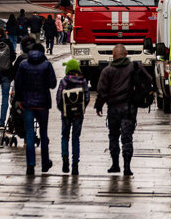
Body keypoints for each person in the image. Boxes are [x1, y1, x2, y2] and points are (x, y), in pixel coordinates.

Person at [94, 43, 152, 176]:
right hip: (129, 108)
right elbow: (148, 80)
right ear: (126, 54)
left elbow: (102, 91)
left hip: (113, 109)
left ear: (113, 56)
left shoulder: (107, 71)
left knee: (113, 136)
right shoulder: (134, 67)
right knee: (127, 138)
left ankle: (115, 165)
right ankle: (127, 167)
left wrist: (99, 105)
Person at [14, 42, 57, 176]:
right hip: (43, 103)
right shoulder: (46, 65)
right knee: (43, 134)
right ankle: (45, 163)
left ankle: (30, 165)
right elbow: (53, 84)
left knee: (29, 133)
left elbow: (18, 84)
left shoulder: (23, 65)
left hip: (27, 103)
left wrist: (19, 100)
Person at [56, 58, 89, 175]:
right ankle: (75, 164)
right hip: (78, 115)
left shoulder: (64, 82)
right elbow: (87, 97)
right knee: (76, 138)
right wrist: (82, 109)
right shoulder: (83, 81)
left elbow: (58, 98)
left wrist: (63, 110)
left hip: (66, 114)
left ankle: (65, 160)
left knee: (65, 136)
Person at [0, 26, 16, 127]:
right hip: (6, 73)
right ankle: (2, 121)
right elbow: (13, 56)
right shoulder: (8, 43)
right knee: (5, 97)